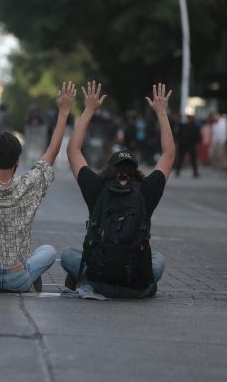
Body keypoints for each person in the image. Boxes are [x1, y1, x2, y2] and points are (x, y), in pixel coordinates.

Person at [0, 77, 76, 293]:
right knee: (48, 251)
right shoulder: (30, 185)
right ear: (18, 161)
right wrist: (64, 112)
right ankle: (29, 278)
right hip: (18, 275)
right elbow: (52, 151)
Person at [61, 82, 175, 299]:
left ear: (109, 169)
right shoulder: (146, 190)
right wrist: (161, 113)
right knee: (158, 259)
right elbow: (168, 155)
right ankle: (145, 285)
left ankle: (84, 279)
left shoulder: (97, 187)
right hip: (137, 286)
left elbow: (73, 151)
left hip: (99, 281)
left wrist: (89, 110)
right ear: (135, 171)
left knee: (67, 255)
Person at [175, 114, 200, 178]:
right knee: (181, 158)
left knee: (193, 158)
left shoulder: (194, 126)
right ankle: (177, 171)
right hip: (183, 144)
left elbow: (197, 135)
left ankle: (195, 172)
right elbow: (179, 134)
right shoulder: (183, 125)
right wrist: (178, 142)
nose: (189, 119)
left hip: (191, 144)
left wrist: (196, 142)